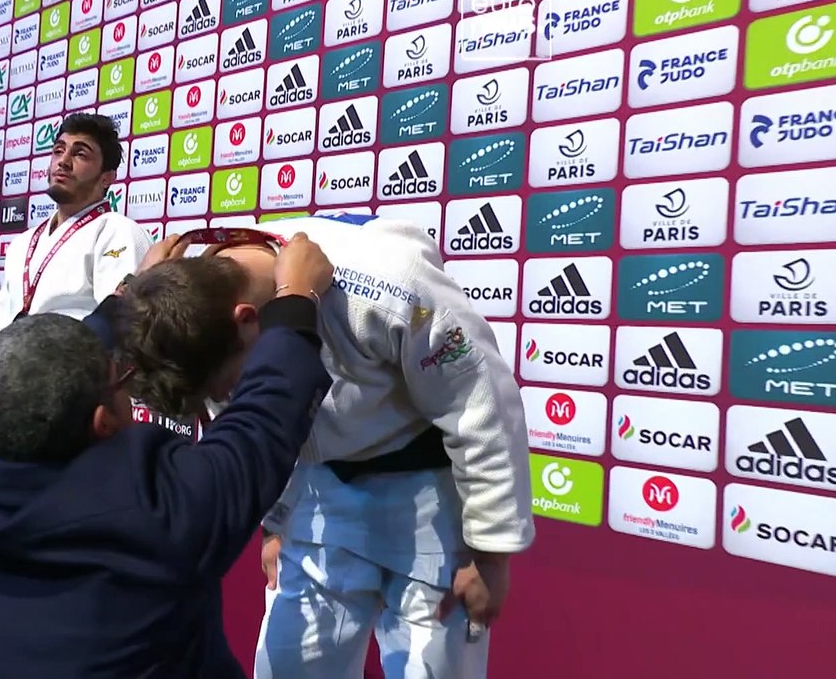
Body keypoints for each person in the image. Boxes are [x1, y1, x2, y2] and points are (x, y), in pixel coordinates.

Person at [115, 215, 535, 679]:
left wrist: (491, 553)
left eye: (228, 386)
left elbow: (480, 406)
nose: (228, 397)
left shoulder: (388, 283)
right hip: (318, 494)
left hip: (426, 496)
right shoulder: (193, 313)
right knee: (288, 667)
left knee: (432, 669)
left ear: (247, 321)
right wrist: (275, 522)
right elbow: (254, 431)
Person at [0, 233, 335, 679]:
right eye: (121, 378)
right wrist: (295, 300)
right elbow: (265, 415)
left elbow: (63, 353)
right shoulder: (158, 515)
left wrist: (131, 293)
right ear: (102, 422)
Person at [0, 112, 151, 446]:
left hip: (74, 406)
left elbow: (120, 329)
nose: (63, 161)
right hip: (10, 398)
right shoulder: (24, 241)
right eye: (58, 150)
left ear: (107, 176)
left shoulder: (117, 231)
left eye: (80, 154)